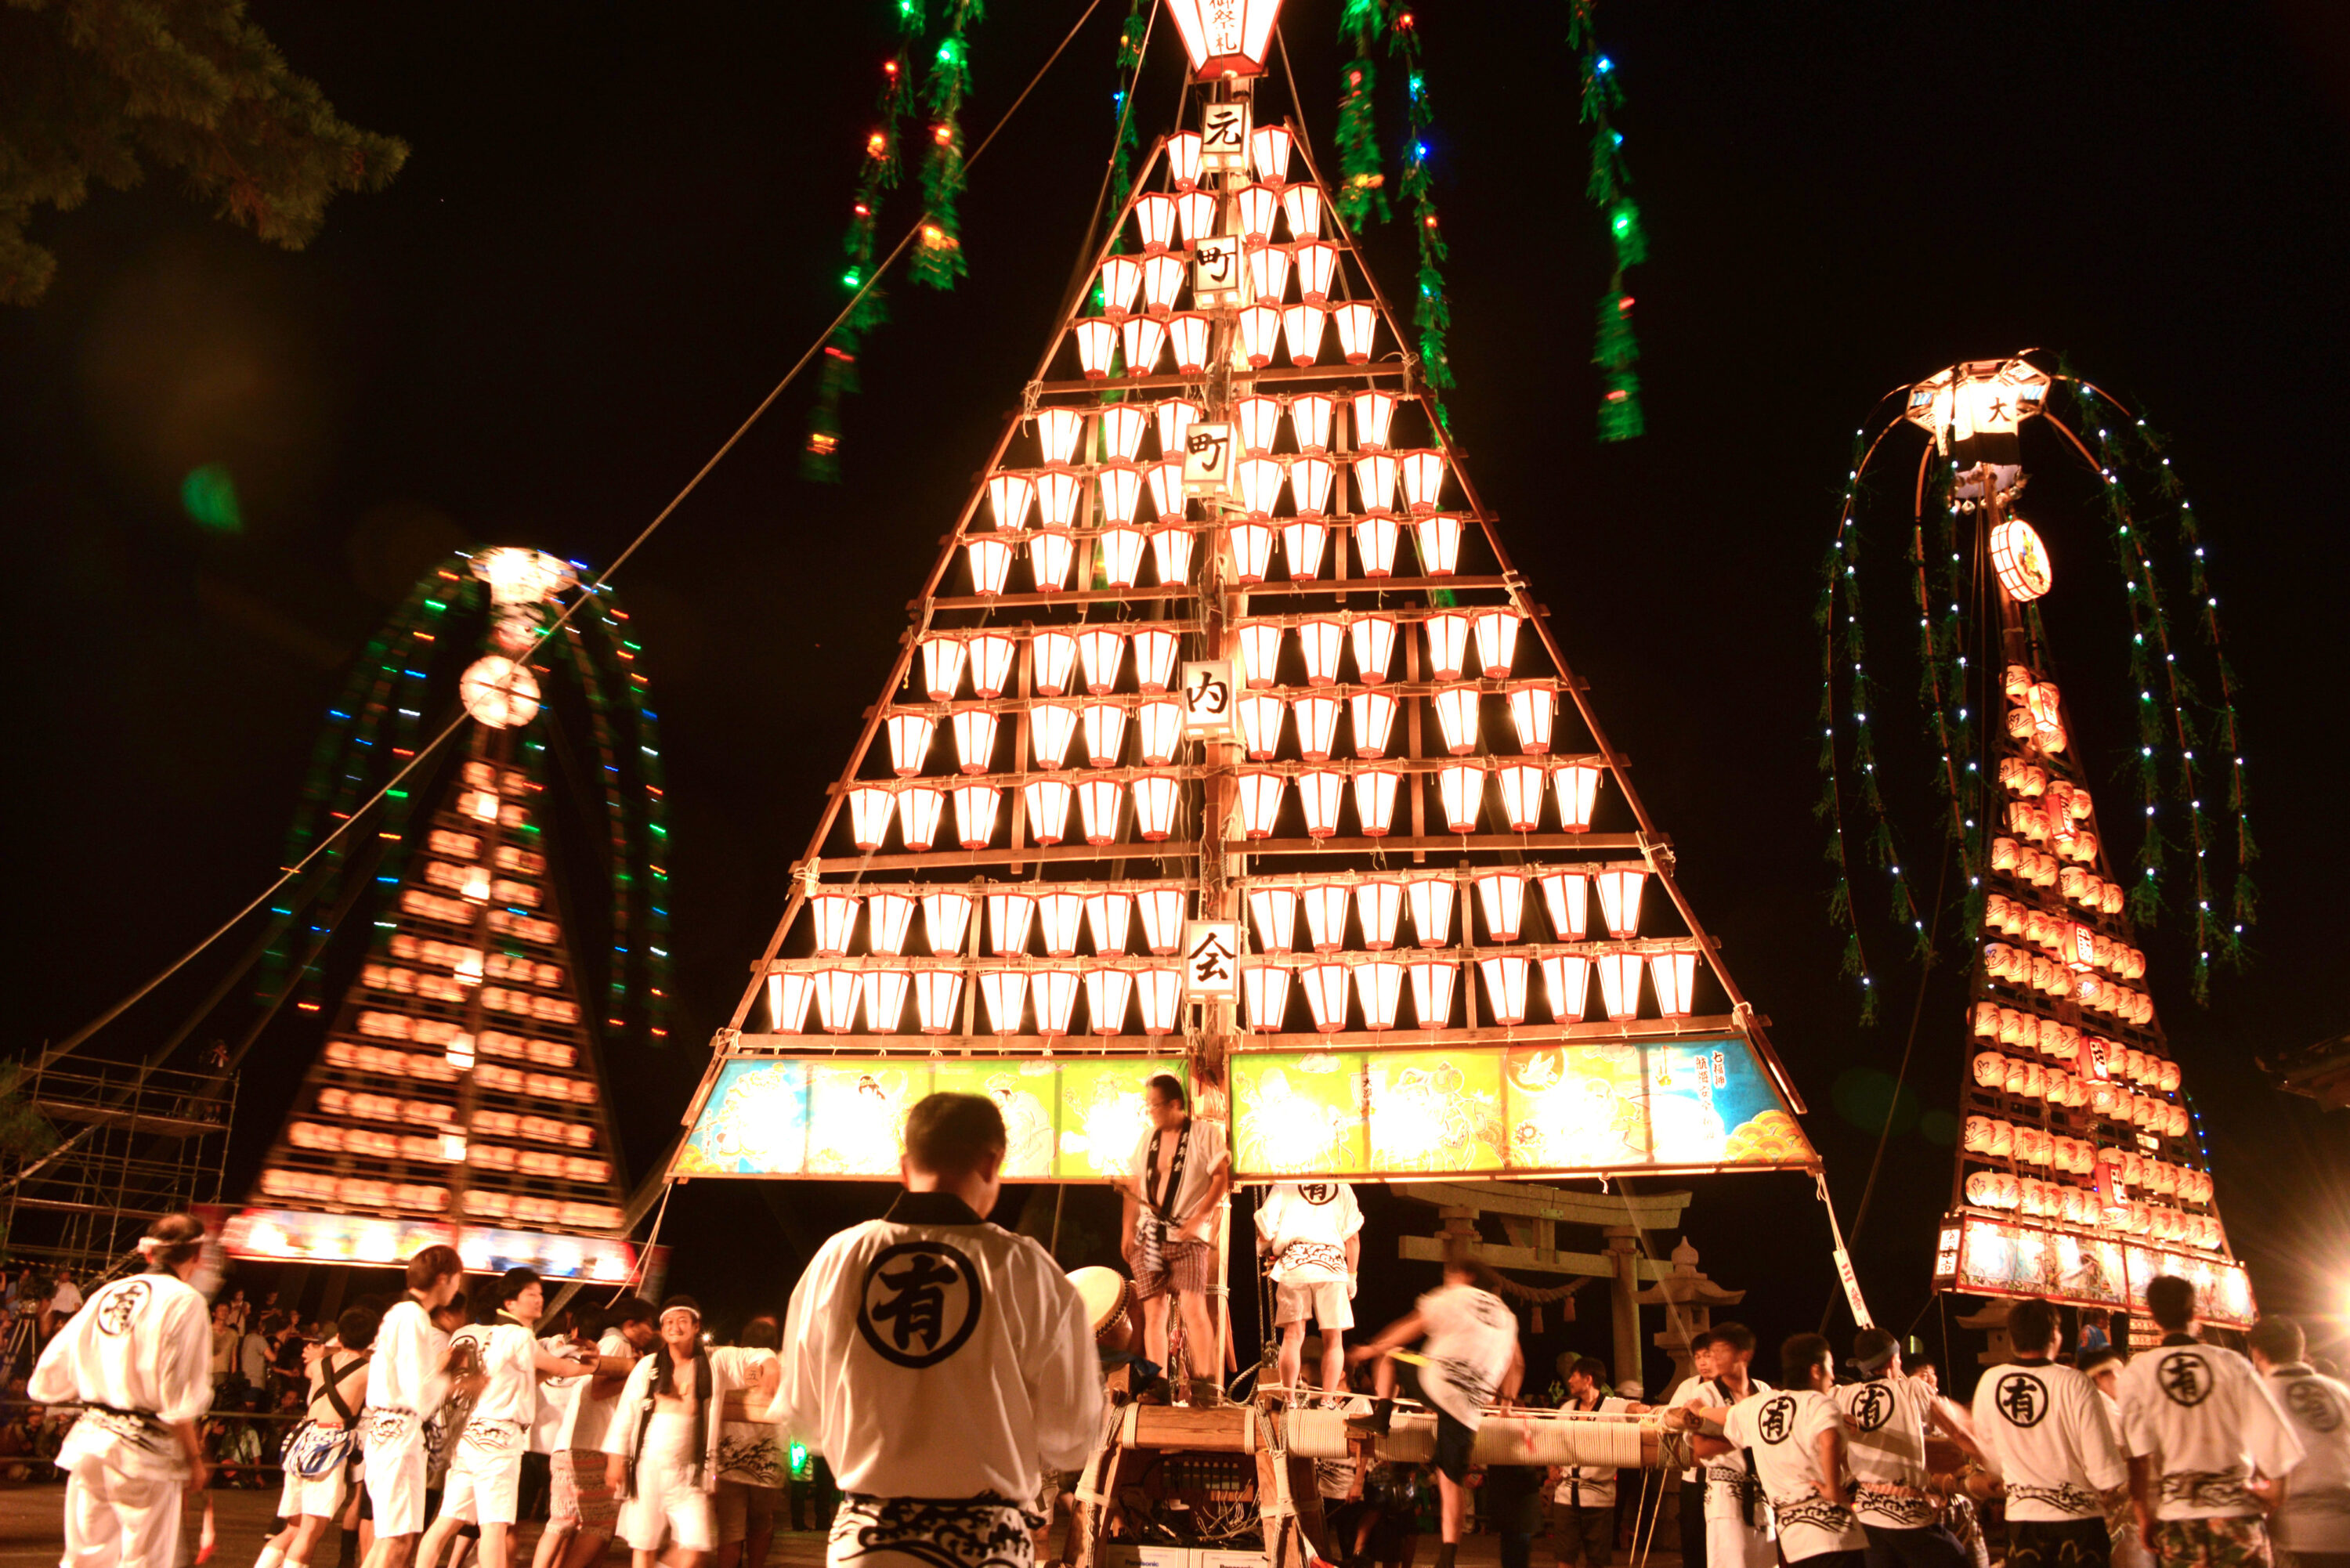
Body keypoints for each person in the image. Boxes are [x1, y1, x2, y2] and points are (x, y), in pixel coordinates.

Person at [770, 1091, 1104, 1568]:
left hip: (868, 1539)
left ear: (905, 1167)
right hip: (986, 1543)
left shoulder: (837, 1260)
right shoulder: (1027, 1268)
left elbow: (805, 1416)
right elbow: (1070, 1436)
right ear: (991, 1164)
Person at [30, 1212, 216, 1568]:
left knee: (85, 1557)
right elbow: (177, 1399)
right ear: (197, 1255)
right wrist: (194, 1459)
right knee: (144, 1560)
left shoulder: (107, 1291)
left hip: (90, 1442)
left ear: (149, 1253)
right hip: (143, 1454)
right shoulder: (184, 1300)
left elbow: (50, 1375)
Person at [1347, 1246, 1527, 1568]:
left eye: (1449, 1275)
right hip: (1472, 1403)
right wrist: (1507, 1404)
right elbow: (1517, 1364)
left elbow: (1410, 1326)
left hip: (1439, 1379)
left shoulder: (1453, 1295)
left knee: (1393, 1356)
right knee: (1449, 1478)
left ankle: (1382, 1416)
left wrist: (1369, 1350)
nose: (1447, 1279)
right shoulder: (1506, 1314)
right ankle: (1447, 1558)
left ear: (1464, 1275)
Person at [2119, 1276, 2304, 1568]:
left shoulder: (2138, 1371)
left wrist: (2144, 1516)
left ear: (2152, 1315)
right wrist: (2275, 1492)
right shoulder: (2231, 1363)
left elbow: (2138, 1459)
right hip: (2238, 1519)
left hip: (2179, 1521)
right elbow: (2275, 1437)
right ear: (2194, 1312)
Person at [418, 1268, 595, 1568]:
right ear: (510, 1303)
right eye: (531, 1295)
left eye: (540, 1294)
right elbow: (561, 1369)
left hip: (470, 1435)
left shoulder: (485, 1334)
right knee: (494, 1527)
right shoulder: (518, 1336)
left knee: (447, 1521)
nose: (539, 1301)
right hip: (499, 1440)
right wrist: (590, 1366)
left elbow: (531, 1376)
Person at [1680, 1334, 1868, 1568]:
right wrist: (1832, 1486)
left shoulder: (1761, 1402)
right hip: (1833, 1530)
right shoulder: (1819, 1403)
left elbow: (1728, 1415)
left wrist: (1702, 1411)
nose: (1832, 1376)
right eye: (1830, 1367)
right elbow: (1829, 1439)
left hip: (1793, 1534)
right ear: (1815, 1371)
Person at [1969, 1296, 2130, 1568]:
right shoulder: (2075, 1383)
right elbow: (2106, 1472)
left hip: (2023, 1524)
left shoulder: (1989, 1382)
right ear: (2055, 1336)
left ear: (2013, 1339)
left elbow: (1991, 1462)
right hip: (2078, 1525)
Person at [603, 1297, 759, 1568]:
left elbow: (756, 1358)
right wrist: (615, 1460)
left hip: (690, 1473)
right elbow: (625, 1415)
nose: (675, 1327)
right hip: (648, 1466)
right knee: (644, 1543)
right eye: (669, 1322)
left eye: (682, 1321)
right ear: (662, 1329)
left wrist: (766, 1369)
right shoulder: (648, 1366)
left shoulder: (714, 1362)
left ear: (696, 1326)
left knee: (696, 1545)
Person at [1120, 1075, 1232, 1406]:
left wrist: (1199, 1217)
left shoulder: (1204, 1134)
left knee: (1192, 1306)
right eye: (1148, 1106)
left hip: (1188, 1236)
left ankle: (1205, 1383)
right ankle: (1158, 1382)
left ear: (1175, 1104)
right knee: (1153, 1311)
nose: (1151, 1111)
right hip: (1149, 1235)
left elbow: (1220, 1178)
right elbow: (1133, 1186)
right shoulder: (1147, 1139)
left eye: (1155, 1105)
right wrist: (1127, 1231)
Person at [1834, 1328, 1980, 1568]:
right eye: (1899, 1357)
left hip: (1868, 1519)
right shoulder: (1911, 1389)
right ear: (1894, 1359)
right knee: (1960, 1561)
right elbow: (1958, 1434)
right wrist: (1992, 1466)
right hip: (1908, 1518)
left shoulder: (1842, 1396)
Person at [362, 1244, 468, 1568]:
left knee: (390, 1539)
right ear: (442, 1278)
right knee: (398, 1541)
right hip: (399, 1433)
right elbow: (418, 1389)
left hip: (387, 1431)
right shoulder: (412, 1317)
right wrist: (460, 1384)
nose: (457, 1288)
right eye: (456, 1280)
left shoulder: (399, 1313)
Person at [261, 1308, 381, 1568]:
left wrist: (327, 1352)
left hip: (302, 1440)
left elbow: (313, 1367)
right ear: (372, 1339)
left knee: (291, 1529)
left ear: (339, 1335)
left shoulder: (316, 1366)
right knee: (309, 1531)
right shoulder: (369, 1371)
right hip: (328, 1447)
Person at [548, 1298, 655, 1568]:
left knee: (562, 1522)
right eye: (650, 1325)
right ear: (630, 1323)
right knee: (600, 1524)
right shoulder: (617, 1344)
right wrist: (636, 1377)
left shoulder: (609, 1342)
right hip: (594, 1442)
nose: (652, 1333)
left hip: (571, 1442)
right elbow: (599, 1391)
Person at [2247, 1316, 2350, 1568]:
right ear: (2300, 1349)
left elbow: (2253, 1466)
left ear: (2257, 1353)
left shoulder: (2259, 1395)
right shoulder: (2339, 1391)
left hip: (2298, 1533)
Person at [1256, 1180, 1364, 1398]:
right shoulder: (1342, 1187)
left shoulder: (1284, 1185)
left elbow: (1265, 1229)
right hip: (1331, 1265)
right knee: (1333, 1338)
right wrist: (1352, 1275)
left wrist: (1265, 1249)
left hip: (1295, 1264)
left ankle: (1290, 1398)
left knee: (1293, 1336)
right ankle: (1328, 1399)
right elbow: (1353, 1238)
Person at [1690, 1324, 1776, 1568]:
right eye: (1710, 1352)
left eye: (1721, 1351)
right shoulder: (1704, 1394)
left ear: (1744, 1354)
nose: (1713, 1358)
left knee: (1767, 1562)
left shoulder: (1764, 1392)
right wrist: (1747, 1435)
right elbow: (1702, 1449)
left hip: (1763, 1494)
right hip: (1725, 1493)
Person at [714, 1317, 786, 1568]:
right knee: (761, 1522)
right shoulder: (783, 1366)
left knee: (730, 1530)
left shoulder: (729, 1362)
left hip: (729, 1463)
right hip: (769, 1465)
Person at [1549, 1357, 1636, 1568]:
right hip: (1566, 1496)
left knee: (1597, 1560)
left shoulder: (1613, 1407)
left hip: (1599, 1498)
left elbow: (1634, 1409)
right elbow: (1553, 1441)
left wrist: (1649, 1411)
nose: (1569, 1381)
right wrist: (1552, 1467)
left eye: (1574, 1376)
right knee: (1564, 1557)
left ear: (1588, 1379)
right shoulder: (1568, 1408)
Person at [1665, 1337, 1721, 1568]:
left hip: (1726, 1477)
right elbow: (1669, 1418)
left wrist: (1703, 1415)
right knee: (1692, 1537)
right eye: (1698, 1357)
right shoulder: (1688, 1387)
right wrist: (1685, 1417)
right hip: (1693, 1477)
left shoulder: (1740, 1387)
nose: (1702, 1363)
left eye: (1707, 1355)